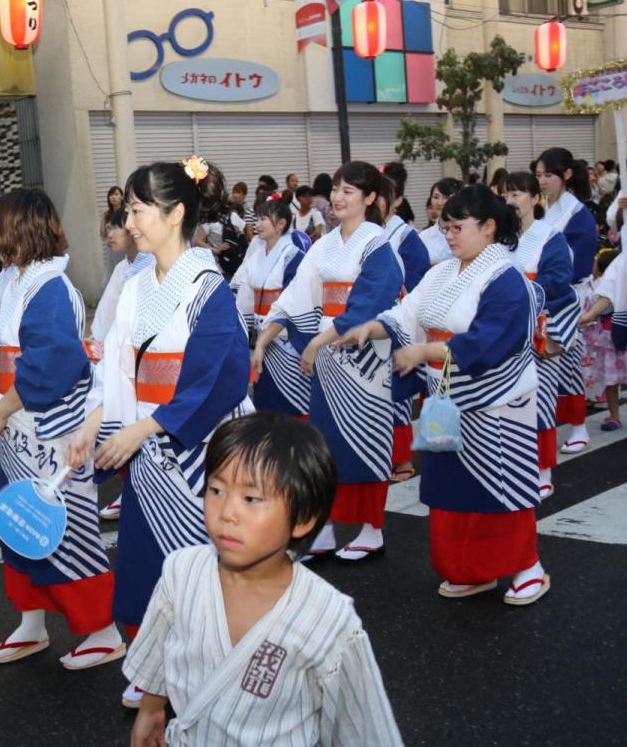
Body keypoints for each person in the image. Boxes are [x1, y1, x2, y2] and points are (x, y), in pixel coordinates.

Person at [68, 157, 250, 707]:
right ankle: (162, 668)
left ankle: (204, 674)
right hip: (148, 446)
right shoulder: (134, 284)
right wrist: (93, 423)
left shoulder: (206, 287)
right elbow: (118, 368)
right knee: (152, 565)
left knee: (198, 568)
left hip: (196, 455)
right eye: (128, 208)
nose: (128, 220)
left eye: (138, 209)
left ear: (174, 214)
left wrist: (144, 428)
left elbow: (217, 379)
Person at [124, 413, 402, 746]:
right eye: (216, 489)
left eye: (251, 498)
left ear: (302, 519)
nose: (227, 512)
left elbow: (361, 726)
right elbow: (158, 648)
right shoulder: (182, 571)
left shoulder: (327, 618)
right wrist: (152, 709)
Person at [340, 184, 551, 606]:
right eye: (445, 226)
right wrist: (373, 327)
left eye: (458, 226)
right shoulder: (441, 272)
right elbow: (407, 313)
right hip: (443, 396)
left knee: (501, 486)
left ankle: (529, 566)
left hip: (495, 402)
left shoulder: (505, 280)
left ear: (489, 227)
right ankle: (469, 569)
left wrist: (426, 350)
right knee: (448, 489)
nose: (450, 235)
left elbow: (487, 342)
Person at [0, 189, 122, 673]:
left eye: (0, 230)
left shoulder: (51, 288)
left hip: (49, 431)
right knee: (21, 526)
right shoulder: (21, 280)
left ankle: (103, 630)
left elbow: (49, 366)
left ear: (21, 231)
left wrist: (0, 409)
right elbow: (10, 358)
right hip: (21, 424)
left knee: (68, 530)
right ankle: (32, 623)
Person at [257, 161, 402, 564]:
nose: (338, 197)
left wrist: (319, 340)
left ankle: (372, 529)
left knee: (365, 438)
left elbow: (370, 302)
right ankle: (326, 526)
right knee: (325, 445)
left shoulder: (377, 244)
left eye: (349, 191)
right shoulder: (324, 243)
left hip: (362, 356)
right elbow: (296, 295)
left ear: (370, 198)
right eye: (336, 189)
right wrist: (265, 337)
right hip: (326, 356)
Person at [503, 172, 578, 500]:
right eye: (505, 194)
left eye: (518, 193)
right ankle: (516, 466)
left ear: (535, 198)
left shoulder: (550, 236)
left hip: (539, 328)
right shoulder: (498, 239)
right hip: (506, 330)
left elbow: (559, 280)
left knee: (541, 399)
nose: (511, 200)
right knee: (507, 401)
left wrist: (520, 295)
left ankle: (544, 469)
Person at [91, 205, 155, 521]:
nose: (111, 234)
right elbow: (104, 321)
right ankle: (129, 491)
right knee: (123, 427)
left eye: (115, 227)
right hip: (123, 360)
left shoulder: (151, 267)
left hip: (147, 365)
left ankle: (137, 492)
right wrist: (99, 351)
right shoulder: (123, 270)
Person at [535, 147, 598, 454]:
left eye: (548, 175)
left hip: (570, 296)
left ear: (567, 175)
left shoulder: (577, 213)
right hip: (545, 295)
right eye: (538, 175)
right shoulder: (543, 208)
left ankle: (579, 427)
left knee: (570, 365)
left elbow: (578, 261)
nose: (543, 181)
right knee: (547, 368)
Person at [231, 201, 306, 418]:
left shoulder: (294, 256)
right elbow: (244, 300)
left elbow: (293, 305)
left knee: (291, 405)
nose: (258, 223)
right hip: (261, 340)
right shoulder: (255, 257)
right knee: (264, 403)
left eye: (264, 219)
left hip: (286, 341)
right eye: (257, 218)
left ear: (281, 224)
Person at [379, 175, 431, 481]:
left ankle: (401, 458)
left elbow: (417, 281)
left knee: (397, 395)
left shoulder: (407, 236)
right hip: (371, 321)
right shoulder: (367, 232)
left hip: (399, 318)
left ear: (397, 201)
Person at [580, 248, 627, 430]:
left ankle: (618, 415)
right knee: (611, 381)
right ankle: (614, 416)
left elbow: (599, 306)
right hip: (611, 338)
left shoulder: (617, 278)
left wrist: (587, 316)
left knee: (614, 381)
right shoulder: (606, 283)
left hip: (622, 335)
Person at [421, 179, 462, 266]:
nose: (439, 203)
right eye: (436, 197)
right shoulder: (423, 237)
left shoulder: (467, 233)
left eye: (446, 197)